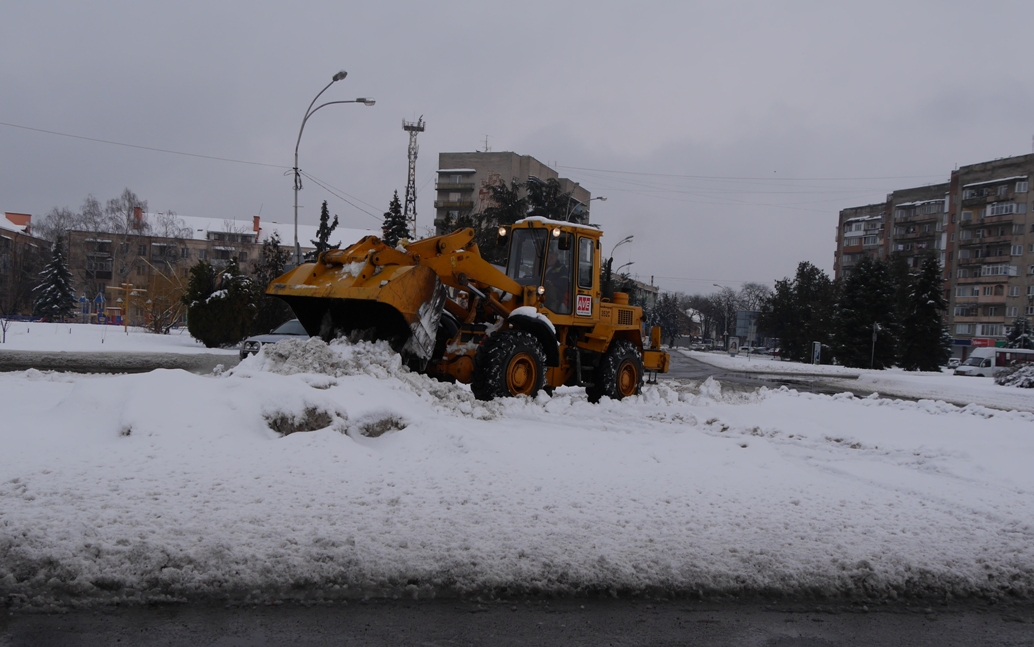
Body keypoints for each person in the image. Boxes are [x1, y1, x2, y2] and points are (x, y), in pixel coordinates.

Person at [543, 248, 572, 314]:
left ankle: (551, 311)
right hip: (546, 288)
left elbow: (563, 282)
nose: (549, 259)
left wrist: (552, 283)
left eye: (551, 257)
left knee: (551, 292)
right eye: (548, 257)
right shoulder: (546, 268)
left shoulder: (562, 268)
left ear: (556, 258)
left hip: (558, 292)